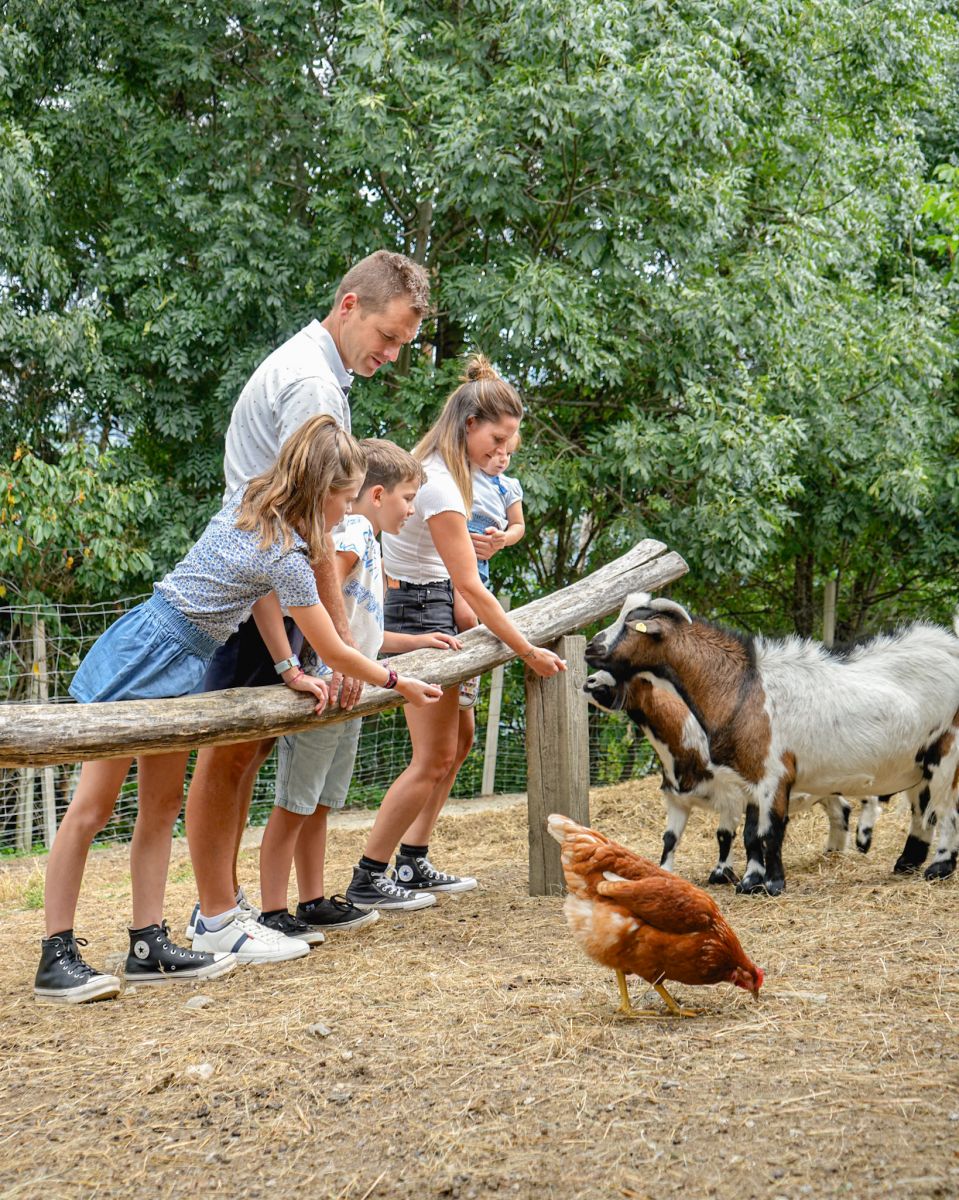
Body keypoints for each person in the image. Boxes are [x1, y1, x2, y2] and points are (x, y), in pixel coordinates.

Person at [35, 417, 441, 1003]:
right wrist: (397, 681)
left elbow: (264, 605)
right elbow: (331, 645)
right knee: (93, 807)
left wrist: (286, 668)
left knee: (163, 805)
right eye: (344, 499)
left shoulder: (262, 510)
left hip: (184, 665)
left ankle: (147, 944)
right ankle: (56, 952)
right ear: (321, 489)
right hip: (147, 653)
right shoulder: (280, 546)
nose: (347, 512)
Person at [183, 250, 430, 946]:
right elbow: (313, 529)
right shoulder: (313, 386)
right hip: (250, 597)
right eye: (387, 337)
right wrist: (336, 656)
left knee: (248, 750)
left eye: (401, 345)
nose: (390, 353)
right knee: (229, 751)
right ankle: (218, 917)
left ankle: (225, 913)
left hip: (263, 590)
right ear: (350, 304)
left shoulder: (322, 371)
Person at [344, 356, 566, 911]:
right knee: (432, 756)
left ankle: (413, 860)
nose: (502, 452)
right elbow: (469, 585)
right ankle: (369, 873)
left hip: (438, 607)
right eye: (497, 438)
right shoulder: (440, 486)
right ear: (470, 424)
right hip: (421, 613)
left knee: (458, 744)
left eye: (511, 444)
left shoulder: (451, 475)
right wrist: (525, 650)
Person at [258, 439, 463, 939]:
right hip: (328, 684)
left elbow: (356, 623)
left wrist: (414, 640)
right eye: (407, 498)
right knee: (295, 801)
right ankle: (272, 911)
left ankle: (310, 901)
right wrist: (320, 662)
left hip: (352, 685)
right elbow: (311, 600)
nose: (411, 509)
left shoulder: (367, 539)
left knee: (322, 801)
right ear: (376, 494)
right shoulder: (349, 535)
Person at [453, 431, 525, 707]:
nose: (501, 459)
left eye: (507, 453)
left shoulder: (509, 487)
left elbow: (518, 526)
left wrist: (503, 539)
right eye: (495, 453)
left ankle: (471, 672)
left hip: (479, 554)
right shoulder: (464, 472)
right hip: (450, 543)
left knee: (467, 616)